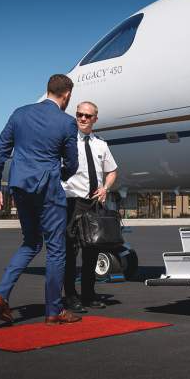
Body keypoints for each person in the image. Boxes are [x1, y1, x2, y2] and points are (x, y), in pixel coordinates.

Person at [0, 74, 82, 325]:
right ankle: (54, 310)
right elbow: (72, 162)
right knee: (56, 250)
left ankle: (1, 295)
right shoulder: (66, 122)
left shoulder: (19, 114)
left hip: (19, 186)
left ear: (48, 89)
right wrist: (60, 174)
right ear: (67, 94)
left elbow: (0, 152)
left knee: (30, 243)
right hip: (49, 189)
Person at [62, 101, 118, 312]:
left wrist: (105, 187)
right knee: (70, 252)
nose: (82, 118)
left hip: (94, 202)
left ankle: (88, 294)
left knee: (92, 250)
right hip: (71, 202)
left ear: (95, 118)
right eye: (79, 115)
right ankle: (70, 296)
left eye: (87, 116)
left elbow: (112, 171)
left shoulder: (101, 144)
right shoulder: (66, 143)